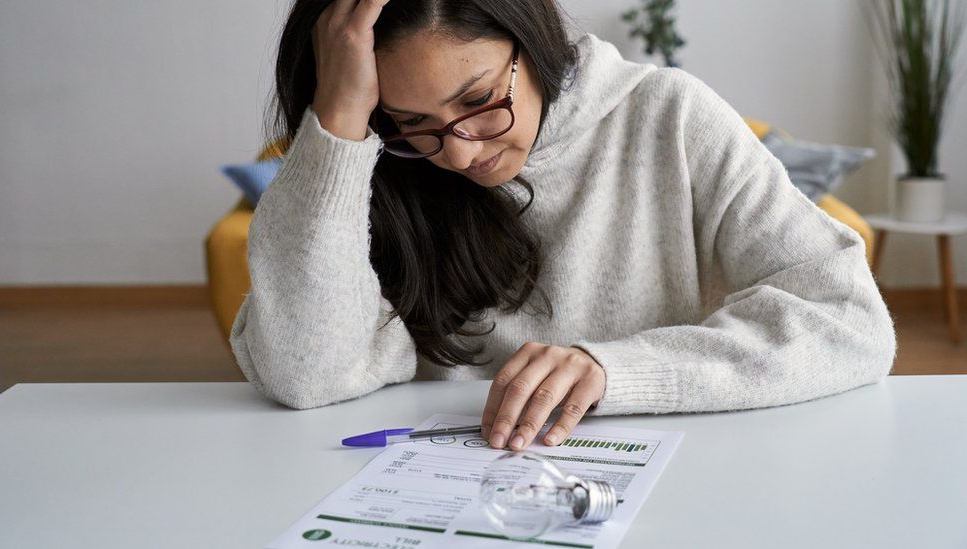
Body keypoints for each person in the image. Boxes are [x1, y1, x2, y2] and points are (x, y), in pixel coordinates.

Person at [230, 0, 896, 452]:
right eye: (413, 123)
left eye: (478, 100)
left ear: (532, 37)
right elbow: (305, 373)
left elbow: (850, 321)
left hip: (656, 476)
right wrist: (341, 120)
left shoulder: (672, 117)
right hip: (430, 491)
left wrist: (615, 371)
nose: (459, 152)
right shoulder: (371, 161)